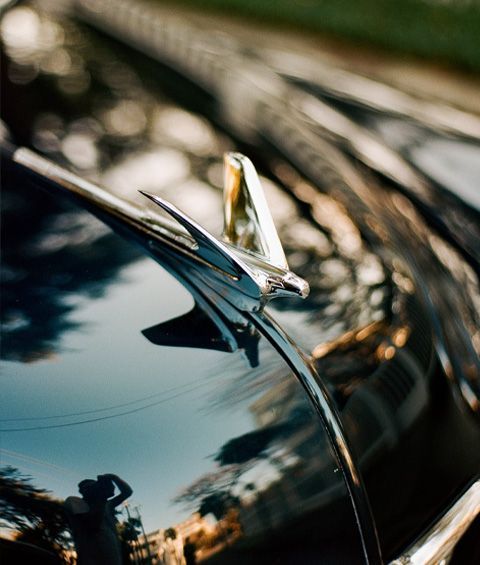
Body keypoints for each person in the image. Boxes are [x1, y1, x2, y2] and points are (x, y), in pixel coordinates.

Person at [64, 473, 132, 565]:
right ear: (82, 492)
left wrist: (114, 477)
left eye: (93, 486)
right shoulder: (75, 501)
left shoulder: (106, 505)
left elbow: (127, 492)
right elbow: (93, 525)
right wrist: (101, 496)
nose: (91, 490)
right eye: (87, 488)